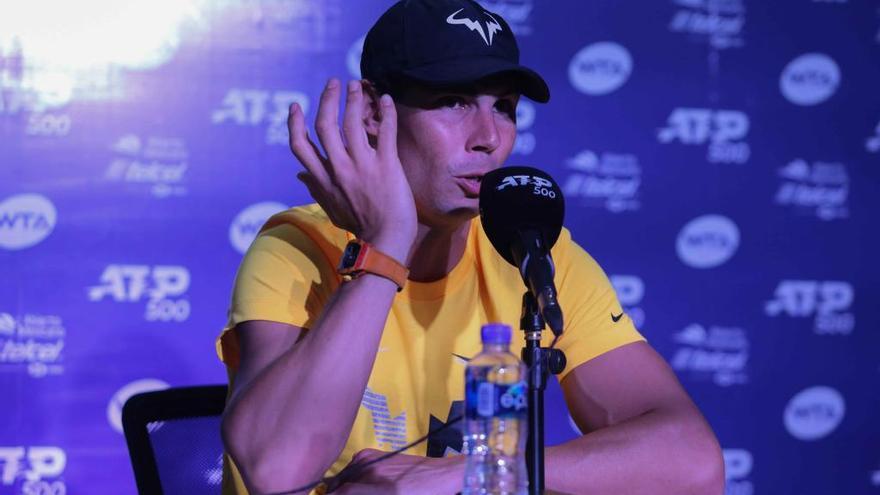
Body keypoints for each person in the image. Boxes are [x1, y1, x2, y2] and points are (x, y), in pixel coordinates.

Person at [217, 0, 725, 494]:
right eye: (454, 101)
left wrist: (472, 471)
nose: (487, 138)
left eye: (503, 107)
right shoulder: (297, 248)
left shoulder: (532, 253)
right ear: (374, 111)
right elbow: (276, 470)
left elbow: (694, 465)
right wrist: (384, 250)